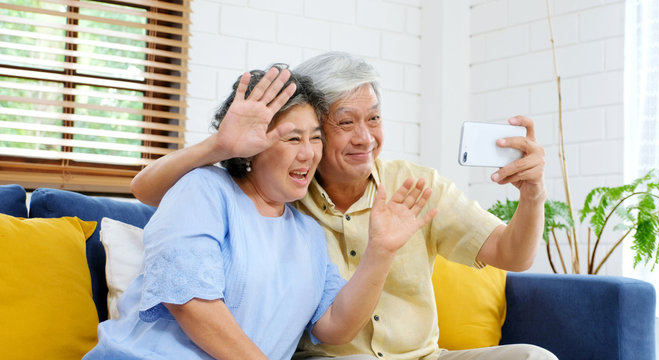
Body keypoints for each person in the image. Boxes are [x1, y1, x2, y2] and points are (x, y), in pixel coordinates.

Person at [131, 52, 557, 360]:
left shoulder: (313, 225)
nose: (365, 137)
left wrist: (533, 191)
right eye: (345, 123)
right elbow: (155, 196)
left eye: (373, 118)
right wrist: (220, 145)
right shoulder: (246, 193)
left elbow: (512, 255)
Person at [85, 65, 437, 360]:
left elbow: (335, 326)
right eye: (292, 138)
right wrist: (220, 144)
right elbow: (191, 302)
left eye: (315, 138)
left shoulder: (307, 233)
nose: (309, 153)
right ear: (251, 148)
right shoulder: (204, 189)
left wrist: (380, 252)